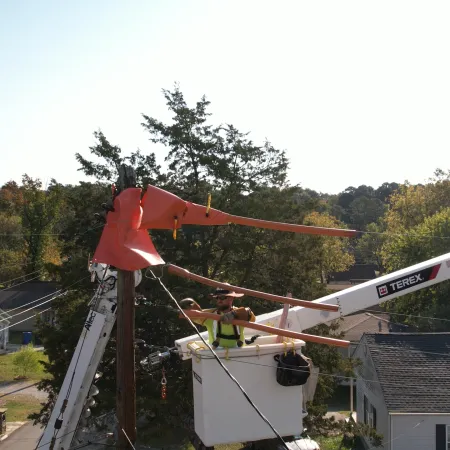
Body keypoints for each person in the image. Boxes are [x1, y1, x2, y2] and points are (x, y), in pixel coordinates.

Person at [180, 287, 256, 349]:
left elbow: (251, 317)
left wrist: (234, 313)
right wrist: (189, 307)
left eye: (222, 297)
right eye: (217, 298)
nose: (219, 300)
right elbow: (191, 314)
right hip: (216, 356)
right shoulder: (209, 315)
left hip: (239, 354)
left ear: (231, 298)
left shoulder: (241, 313)